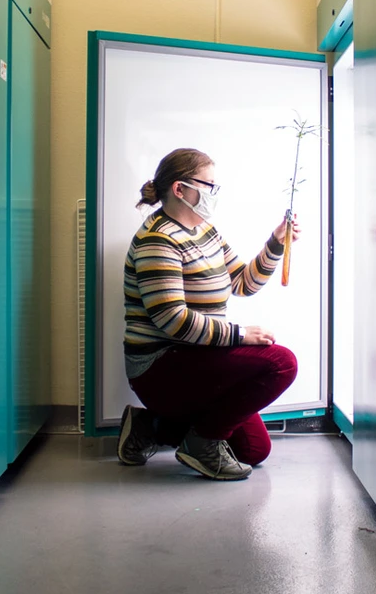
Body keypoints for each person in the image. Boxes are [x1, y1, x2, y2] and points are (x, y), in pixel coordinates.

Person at [117, 148, 299, 481]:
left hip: (199, 357)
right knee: (281, 362)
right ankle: (200, 442)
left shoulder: (205, 231)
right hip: (161, 365)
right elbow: (173, 320)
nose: (214, 194)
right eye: (209, 185)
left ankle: (150, 426)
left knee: (254, 450)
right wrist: (240, 335)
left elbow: (243, 282)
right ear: (180, 189)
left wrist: (276, 243)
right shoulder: (158, 241)